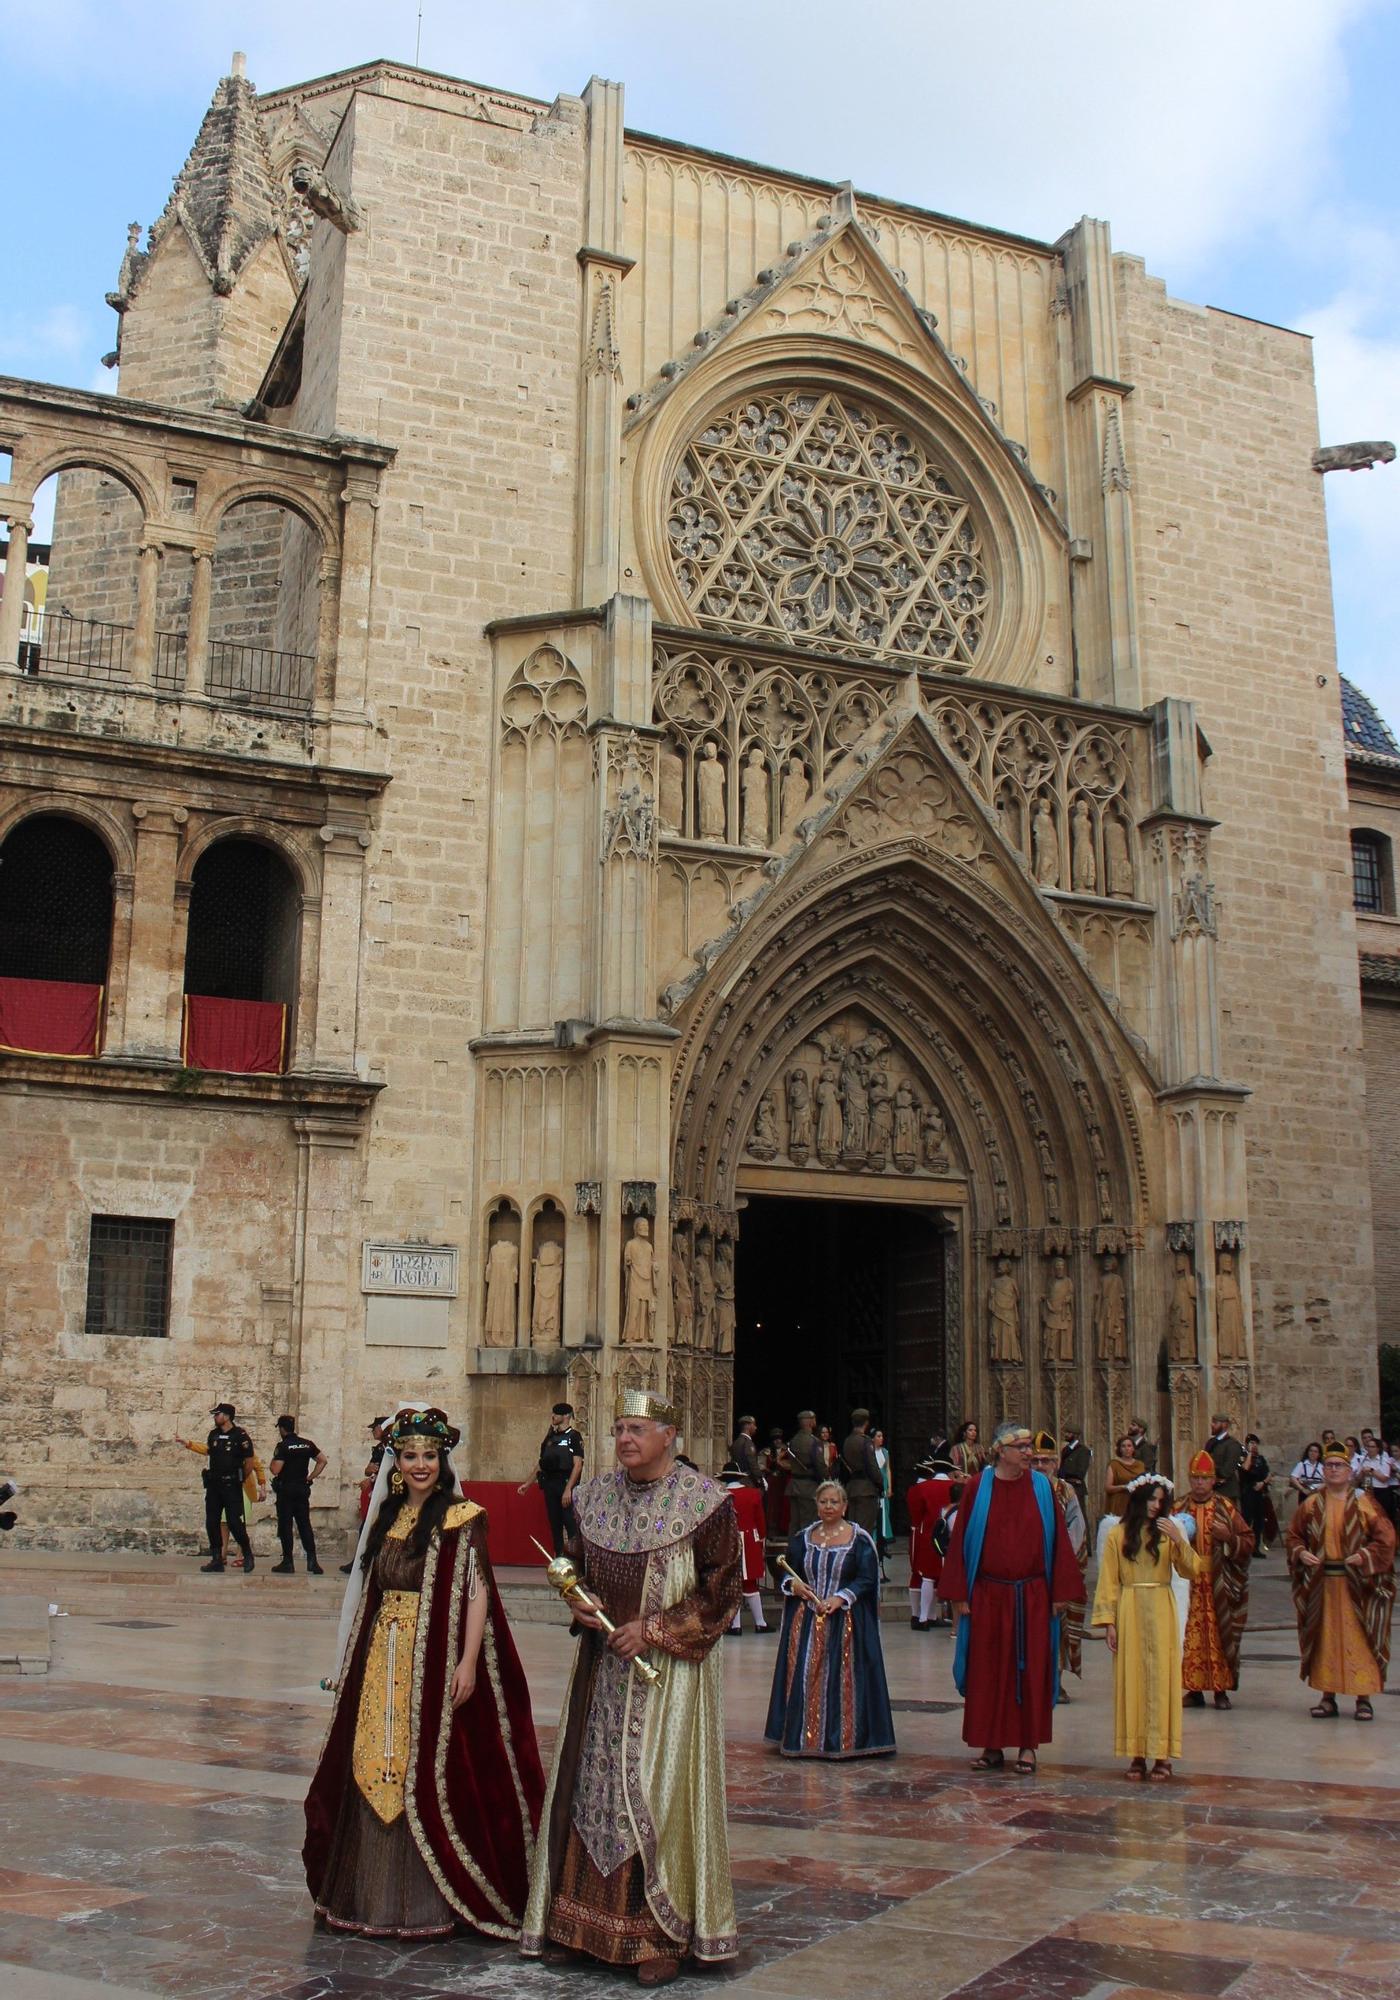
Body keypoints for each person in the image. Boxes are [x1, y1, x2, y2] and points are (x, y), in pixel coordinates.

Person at [522, 1389, 741, 1983]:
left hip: (668, 1680)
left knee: (652, 1792)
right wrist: (579, 1600)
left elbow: (722, 1592)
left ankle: (659, 1936)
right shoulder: (590, 1499)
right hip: (602, 1672)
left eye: (637, 1428)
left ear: (669, 1435)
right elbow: (574, 1565)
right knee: (590, 1787)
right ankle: (577, 1924)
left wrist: (656, 1629)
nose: (624, 1438)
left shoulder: (706, 1504)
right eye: (618, 1427)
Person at [304, 1405, 544, 1938]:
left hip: (429, 1658)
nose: (419, 1465)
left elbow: (476, 1590)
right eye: (410, 1456)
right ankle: (370, 1895)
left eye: (429, 1457)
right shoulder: (387, 1519)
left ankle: (432, 1896)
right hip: (380, 1664)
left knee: (423, 1767)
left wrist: (466, 1661)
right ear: (396, 1462)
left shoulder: (462, 1518)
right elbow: (371, 1593)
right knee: (374, 1761)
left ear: (442, 1462)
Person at [939, 1421, 1084, 1776]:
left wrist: (1060, 1592)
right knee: (987, 1671)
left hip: (1032, 1595)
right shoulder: (977, 1487)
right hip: (988, 1594)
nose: (1028, 1452)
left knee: (1031, 1670)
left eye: (1028, 1446)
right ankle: (990, 1745)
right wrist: (959, 1595)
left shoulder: (1042, 1488)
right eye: (1020, 1447)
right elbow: (961, 1542)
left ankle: (1028, 1746)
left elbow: (1058, 1541)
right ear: (1000, 1451)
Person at [765, 1480, 895, 1759]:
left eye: (834, 1502)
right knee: (805, 1677)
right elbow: (788, 1572)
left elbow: (867, 1579)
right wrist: (795, 1585)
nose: (828, 1507)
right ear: (816, 1505)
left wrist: (840, 1597)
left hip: (845, 1623)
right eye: (823, 1502)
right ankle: (803, 1739)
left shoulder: (859, 1540)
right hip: (807, 1623)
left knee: (843, 1681)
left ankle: (843, 1740)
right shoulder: (803, 1538)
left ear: (845, 1505)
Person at [1092, 1472, 1203, 1781]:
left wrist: (1180, 1541)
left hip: (1161, 1607)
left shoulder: (1169, 1532)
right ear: (1139, 1500)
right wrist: (1109, 1622)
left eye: (1161, 1500)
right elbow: (1108, 1580)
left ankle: (1163, 1755)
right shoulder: (1118, 1534)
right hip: (1130, 1607)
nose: (1156, 1506)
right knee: (1133, 1679)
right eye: (1151, 1499)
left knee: (1162, 1679)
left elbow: (1192, 1569)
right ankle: (1137, 1753)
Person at [1286, 1439, 1397, 1722]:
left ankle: (1363, 1698)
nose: (1333, 1470)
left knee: (1361, 1636)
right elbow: (1294, 1535)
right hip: (1323, 1583)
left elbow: (1386, 1539)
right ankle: (1327, 1696)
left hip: (1357, 1584)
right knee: (1325, 1638)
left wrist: (1365, 1555)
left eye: (1339, 1465)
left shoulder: (1363, 1503)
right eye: (1329, 1465)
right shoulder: (1312, 1504)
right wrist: (1301, 1553)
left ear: (1349, 1470)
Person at [1180, 1448, 1254, 1709]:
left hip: (1217, 1584)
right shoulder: (1179, 1507)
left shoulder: (1226, 1508)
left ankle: (1221, 1689)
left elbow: (1247, 1540)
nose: (1199, 1483)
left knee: (1220, 1636)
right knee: (1189, 1637)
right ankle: (1194, 1688)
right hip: (1187, 1583)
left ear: (1213, 1480)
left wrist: (1229, 1538)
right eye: (1195, 1478)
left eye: (1204, 1478)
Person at [1030, 1431, 1087, 1697]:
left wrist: (1065, 1564)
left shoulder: (1066, 1490)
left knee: (1060, 1629)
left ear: (1056, 1464)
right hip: (1029, 1571)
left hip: (1057, 1568)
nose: (1040, 1466)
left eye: (1046, 1461)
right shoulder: (1022, 1488)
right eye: (1036, 1461)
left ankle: (1056, 1679)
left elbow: (1076, 1528)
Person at [177, 1403, 259, 1574]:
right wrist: (189, 1443)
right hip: (214, 1485)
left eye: (218, 1414)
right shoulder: (213, 1435)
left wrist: (241, 1478)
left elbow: (250, 1461)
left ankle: (247, 1553)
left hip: (231, 1485)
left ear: (227, 1416)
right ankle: (216, 1558)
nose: (215, 1417)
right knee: (212, 1522)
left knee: (235, 1523)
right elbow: (209, 1451)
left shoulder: (240, 1435)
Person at [518, 1402, 585, 1556]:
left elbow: (578, 1465)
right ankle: (559, 1560)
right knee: (555, 1525)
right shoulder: (550, 1438)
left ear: (566, 1416)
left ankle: (576, 1561)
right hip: (550, 1484)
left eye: (556, 1413)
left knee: (570, 1524)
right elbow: (541, 1464)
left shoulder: (573, 1437)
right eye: (553, 1413)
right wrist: (527, 1484)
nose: (553, 1416)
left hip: (566, 1483)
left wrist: (569, 1489)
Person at [269, 1415, 327, 1575]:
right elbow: (322, 1460)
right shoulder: (307, 1444)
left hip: (286, 1489)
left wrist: (272, 1464)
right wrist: (310, 1477)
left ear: (281, 1428)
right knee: (304, 1524)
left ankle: (288, 1561)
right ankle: (312, 1561)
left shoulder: (283, 1446)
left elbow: (276, 1470)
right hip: (302, 1488)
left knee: (286, 1525)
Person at [719, 1461, 771, 1634]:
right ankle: (760, 1622)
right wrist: (762, 1540)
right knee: (751, 1583)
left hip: (728, 1541)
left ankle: (736, 1626)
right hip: (750, 1540)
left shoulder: (719, 1494)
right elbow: (760, 1520)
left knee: (732, 1582)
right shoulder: (753, 1494)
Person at [906, 1457, 951, 1630]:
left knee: (923, 1575)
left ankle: (921, 1616)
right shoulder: (956, 1487)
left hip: (925, 1534)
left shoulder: (920, 1488)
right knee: (935, 1575)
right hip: (948, 1536)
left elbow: (915, 1516)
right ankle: (929, 1615)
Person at [341, 1417, 389, 1574]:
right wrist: (371, 1475)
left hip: (386, 1495)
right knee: (366, 1528)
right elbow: (369, 1469)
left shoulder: (391, 1448)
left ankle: (364, 1563)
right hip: (377, 1493)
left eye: (375, 1428)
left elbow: (384, 1471)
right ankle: (360, 1562)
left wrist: (372, 1477)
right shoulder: (380, 1448)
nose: (372, 1431)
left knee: (371, 1528)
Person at [1099, 1433, 1145, 1556]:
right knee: (1120, 1536)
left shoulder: (1140, 1465)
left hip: (1136, 1503)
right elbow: (1108, 1487)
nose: (1126, 1449)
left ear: (1133, 1448)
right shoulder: (1114, 1465)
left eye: (1129, 1446)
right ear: (1119, 1449)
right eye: (1123, 1446)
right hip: (1119, 1503)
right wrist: (1123, 1487)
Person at [840, 1408, 882, 1535]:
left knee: (852, 1528)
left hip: (852, 1488)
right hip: (866, 1489)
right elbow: (872, 1466)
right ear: (866, 1422)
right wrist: (880, 1483)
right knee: (864, 1530)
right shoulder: (866, 1441)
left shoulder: (847, 1441)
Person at [785, 1409, 826, 1532]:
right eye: (813, 1419)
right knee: (808, 1523)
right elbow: (819, 1465)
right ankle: (806, 1550)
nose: (815, 1421)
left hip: (795, 1486)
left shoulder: (793, 1441)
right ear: (809, 1422)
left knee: (794, 1523)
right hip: (809, 1487)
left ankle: (793, 1550)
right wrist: (824, 1480)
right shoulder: (814, 1441)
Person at [1238, 1433, 1275, 1555]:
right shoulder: (1243, 1457)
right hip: (1248, 1492)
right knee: (1247, 1520)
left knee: (1259, 1521)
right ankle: (1244, 1547)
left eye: (1255, 1443)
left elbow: (1268, 1474)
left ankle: (1256, 1547)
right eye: (1251, 1443)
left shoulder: (1261, 1459)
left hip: (1260, 1492)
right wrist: (1249, 1454)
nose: (1254, 1446)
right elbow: (1244, 1470)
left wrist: (1263, 1483)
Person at [1205, 1413, 1245, 1503]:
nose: (1212, 1425)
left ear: (1224, 1424)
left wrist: (1212, 1469)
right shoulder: (1210, 1442)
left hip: (1227, 1492)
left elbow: (1227, 1470)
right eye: (1212, 1422)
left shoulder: (1232, 1444)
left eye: (1215, 1422)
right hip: (1210, 1491)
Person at [871, 1426, 893, 1576]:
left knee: (884, 1511)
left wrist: (890, 1486)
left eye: (882, 1436)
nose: (881, 1438)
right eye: (878, 1436)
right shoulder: (869, 1452)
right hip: (874, 1483)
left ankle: (884, 1538)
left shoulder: (885, 1452)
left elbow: (887, 1469)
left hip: (883, 1483)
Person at [1058, 1428, 1092, 1522]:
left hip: (1076, 1487)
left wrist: (1065, 1473)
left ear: (1076, 1435)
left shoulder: (1083, 1451)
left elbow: (1081, 1472)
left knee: (1079, 1515)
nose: (1066, 1434)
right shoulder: (1066, 1450)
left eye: (1069, 1432)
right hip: (1064, 1486)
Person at [764, 1427, 791, 1538]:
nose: (777, 1441)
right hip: (773, 1481)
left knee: (784, 1505)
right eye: (775, 1439)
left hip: (784, 1481)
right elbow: (762, 1466)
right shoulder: (767, 1451)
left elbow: (790, 1465)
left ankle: (784, 1529)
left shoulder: (787, 1451)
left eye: (779, 1438)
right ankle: (772, 1530)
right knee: (772, 1506)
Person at [1290, 1441, 1325, 1506]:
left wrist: (1316, 1490)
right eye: (1311, 1451)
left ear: (1319, 1454)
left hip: (1317, 1494)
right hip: (1304, 1494)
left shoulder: (1322, 1467)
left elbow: (1326, 1482)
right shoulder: (1301, 1464)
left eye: (1315, 1452)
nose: (1313, 1453)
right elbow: (1293, 1478)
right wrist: (1302, 1489)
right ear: (1308, 1452)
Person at [731, 1415, 761, 1482]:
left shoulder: (736, 1442)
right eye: (754, 1425)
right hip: (748, 1480)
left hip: (738, 1479)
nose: (755, 1428)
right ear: (747, 1425)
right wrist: (760, 1478)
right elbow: (752, 1463)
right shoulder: (747, 1442)